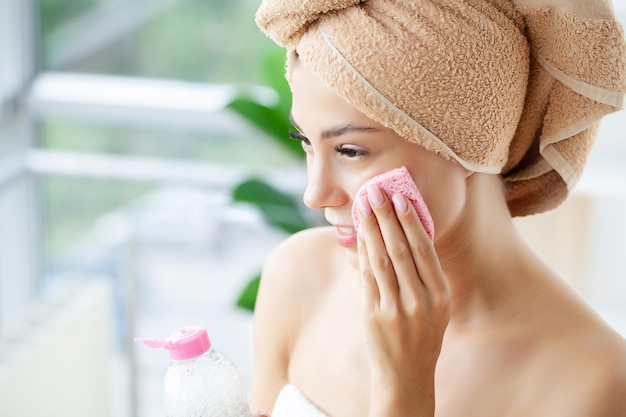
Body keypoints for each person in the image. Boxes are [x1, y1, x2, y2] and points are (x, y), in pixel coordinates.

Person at [248, 0, 626, 416]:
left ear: (469, 145)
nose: (315, 195)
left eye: (351, 151)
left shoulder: (595, 383)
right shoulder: (298, 276)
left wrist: (403, 387)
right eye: (304, 141)